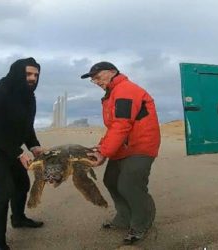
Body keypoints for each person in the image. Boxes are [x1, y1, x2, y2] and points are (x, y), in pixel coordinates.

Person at [81, 62, 161, 245]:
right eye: (93, 79)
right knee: (110, 180)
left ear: (112, 72)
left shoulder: (125, 90)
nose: (96, 81)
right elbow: (113, 127)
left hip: (140, 147)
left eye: (98, 76)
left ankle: (141, 224)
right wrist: (100, 147)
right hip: (123, 148)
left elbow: (122, 125)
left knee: (130, 185)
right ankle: (124, 217)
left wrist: (104, 153)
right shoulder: (111, 94)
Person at [0, 58, 44, 250]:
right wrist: (18, 152)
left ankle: (18, 219)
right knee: (2, 193)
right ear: (16, 73)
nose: (32, 78)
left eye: (36, 75)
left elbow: (26, 127)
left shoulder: (29, 97)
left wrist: (34, 146)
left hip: (12, 151)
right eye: (28, 74)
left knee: (22, 184)